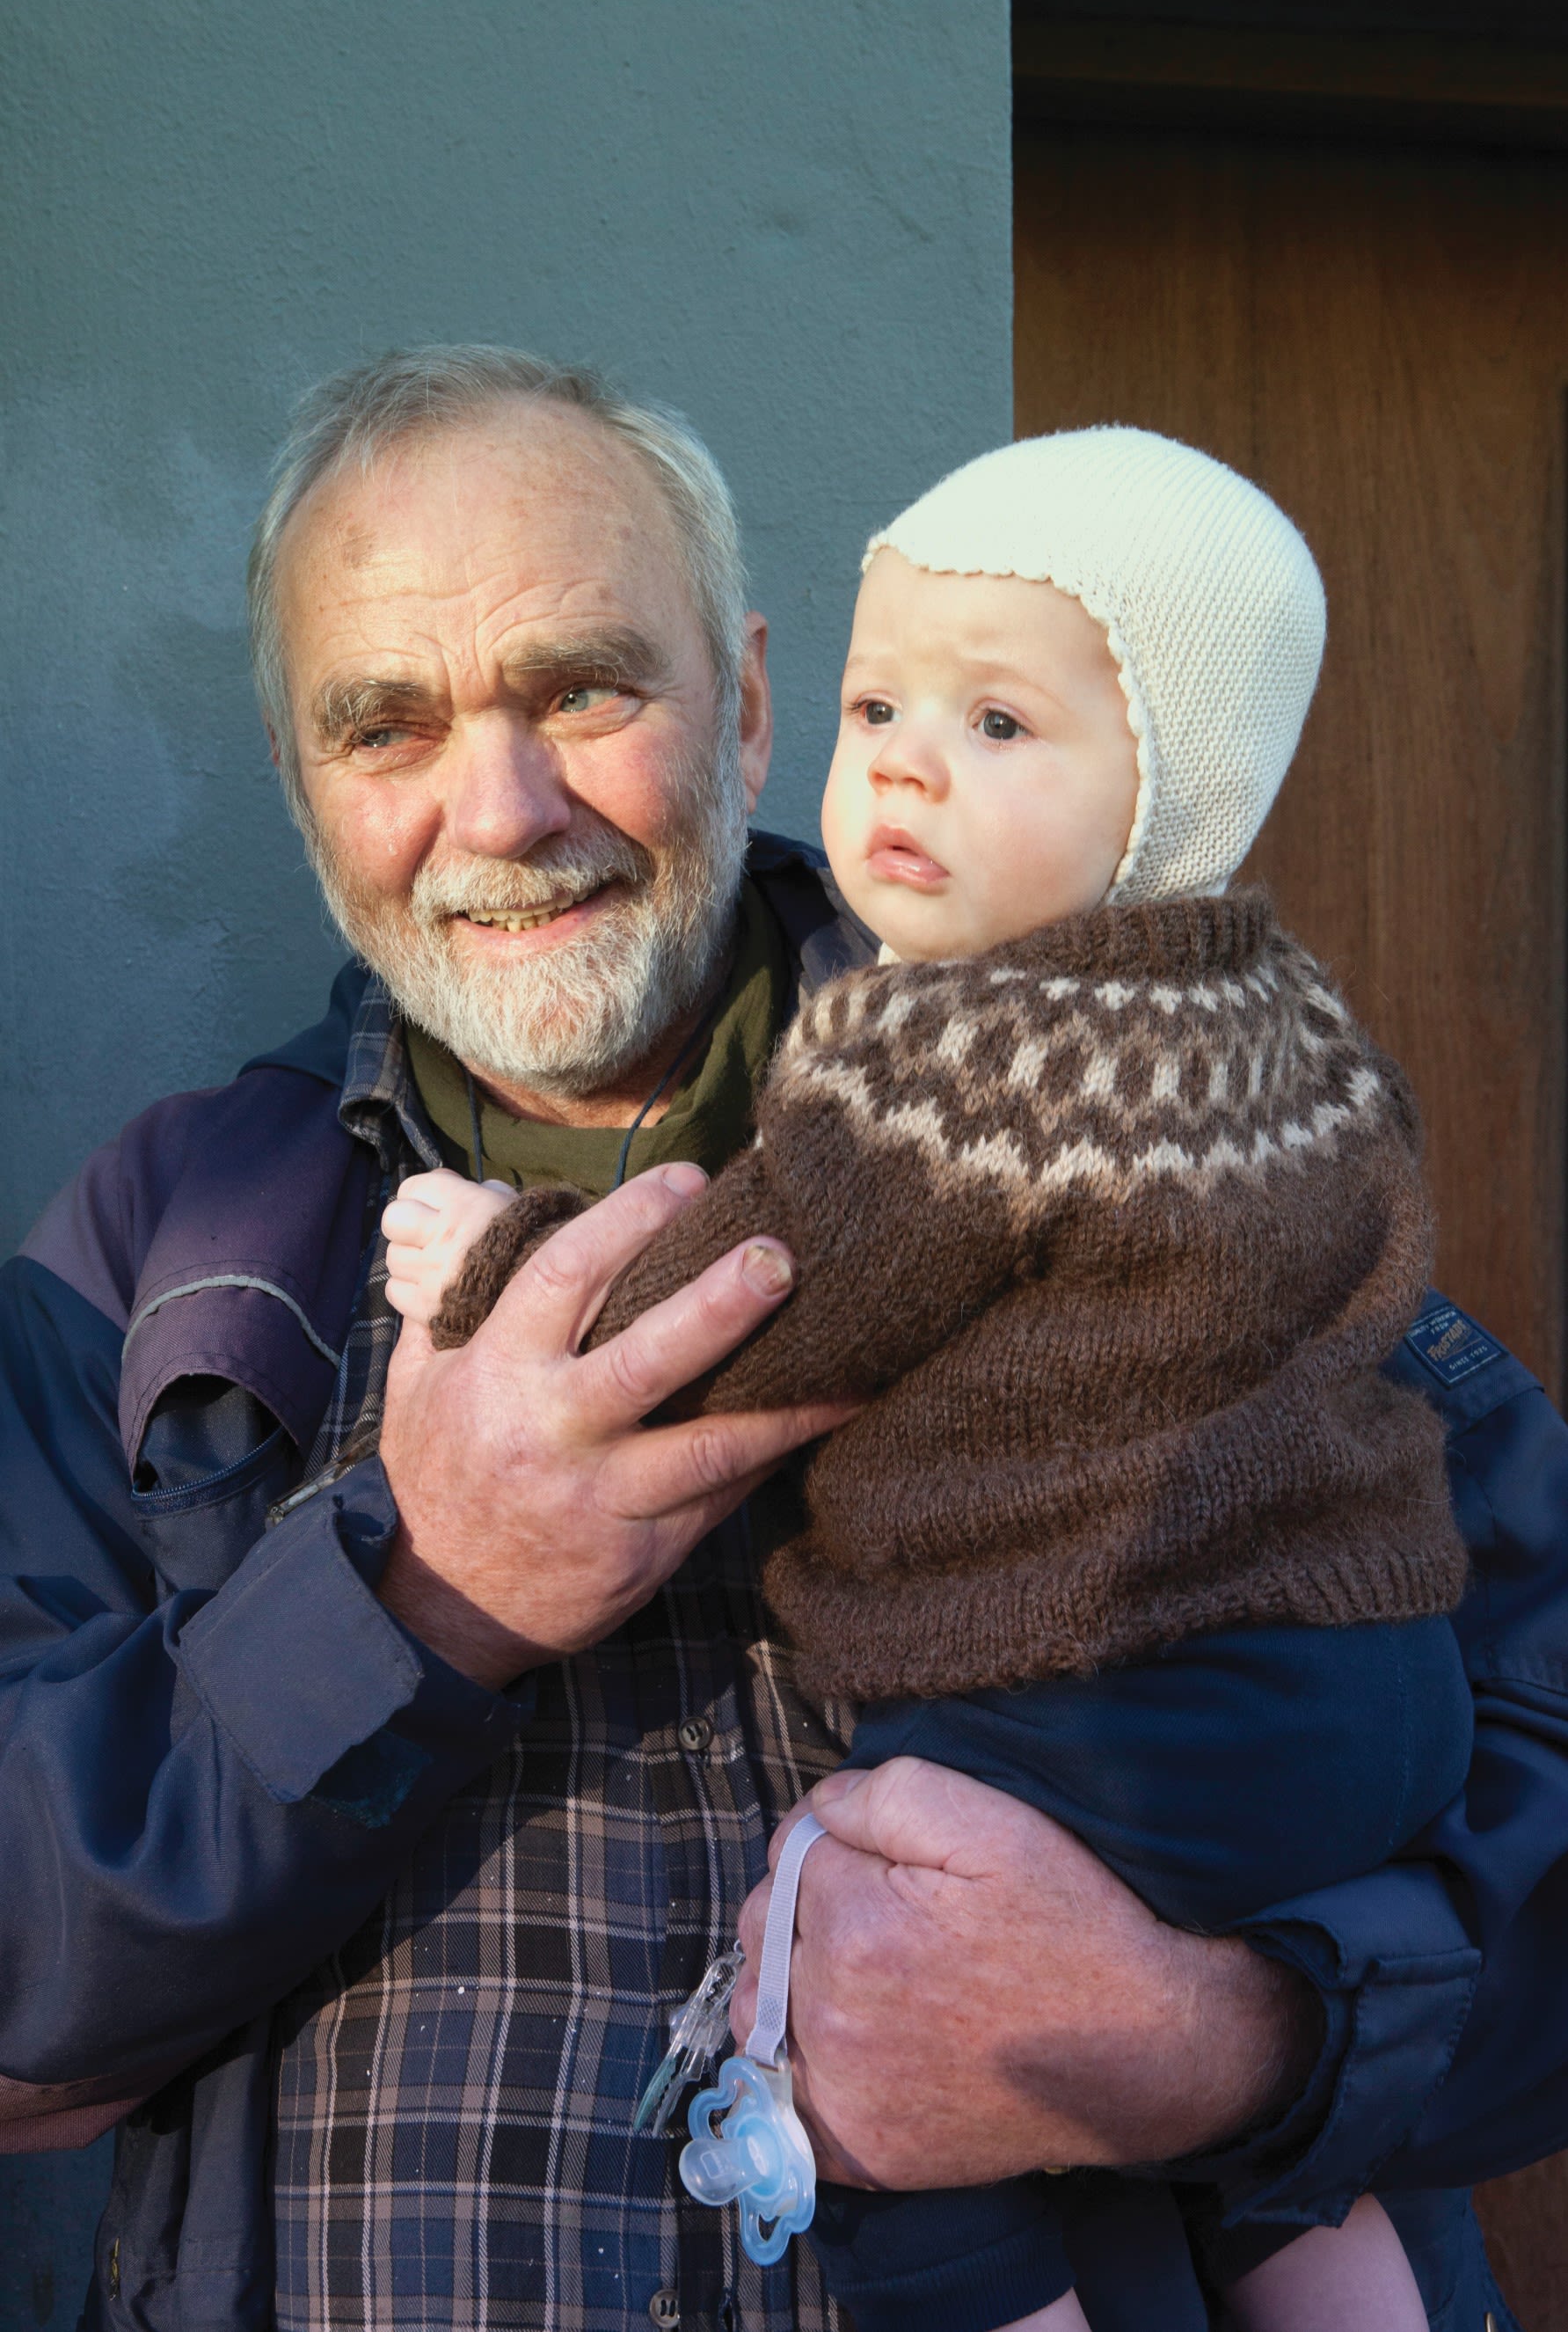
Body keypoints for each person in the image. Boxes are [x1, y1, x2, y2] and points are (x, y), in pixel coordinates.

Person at [0, 348, 1560, 2332]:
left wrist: (1216, 2033)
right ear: (308, 789)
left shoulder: (1122, 1130)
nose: (504, 807)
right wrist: (422, 1591)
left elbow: (1523, 1761)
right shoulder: (162, 1260)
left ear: (742, 702)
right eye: (384, 727)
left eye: (582, 689)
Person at [378, 428, 1470, 2332]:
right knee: (1291, 2166)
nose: (897, 760)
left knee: (852, 2019)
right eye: (883, 702)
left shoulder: (953, 1062)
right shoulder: (1292, 1026)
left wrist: (482, 1264)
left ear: (1169, 791)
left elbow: (747, 1302)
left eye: (996, 725)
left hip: (1113, 1689)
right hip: (1371, 1692)